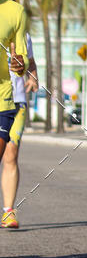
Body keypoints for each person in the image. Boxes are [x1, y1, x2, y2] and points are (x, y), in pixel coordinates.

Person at [1, 31, 37, 228]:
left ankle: (8, 211)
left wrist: (33, 76)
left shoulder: (25, 36)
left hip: (17, 102)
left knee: (11, 154)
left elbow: (31, 62)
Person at [0, 0, 28, 188]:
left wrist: (23, 66)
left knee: (11, 154)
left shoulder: (17, 18)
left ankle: (8, 210)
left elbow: (27, 61)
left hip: (9, 99)